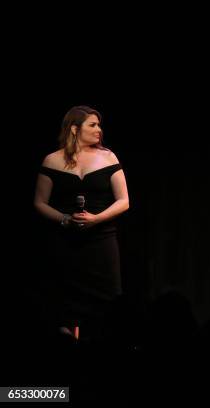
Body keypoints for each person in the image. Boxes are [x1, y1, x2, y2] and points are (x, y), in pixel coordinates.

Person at [33, 105, 129, 341]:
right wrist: (65, 219)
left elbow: (124, 201)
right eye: (92, 125)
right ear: (74, 129)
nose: (99, 130)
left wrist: (96, 219)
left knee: (107, 299)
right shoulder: (52, 160)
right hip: (65, 242)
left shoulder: (108, 156)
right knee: (65, 303)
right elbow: (39, 202)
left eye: (99, 125)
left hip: (101, 240)